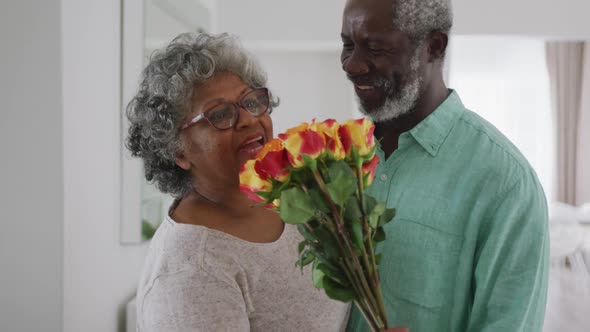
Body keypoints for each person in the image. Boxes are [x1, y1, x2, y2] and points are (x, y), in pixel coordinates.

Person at [340, 0, 549, 331]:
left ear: (433, 47)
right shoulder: (335, 159)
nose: (352, 65)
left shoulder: (505, 183)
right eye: (347, 45)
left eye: (375, 48)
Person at [127, 32, 350, 331]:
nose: (248, 119)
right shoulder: (190, 269)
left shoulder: (290, 197)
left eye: (250, 101)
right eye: (219, 114)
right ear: (177, 150)